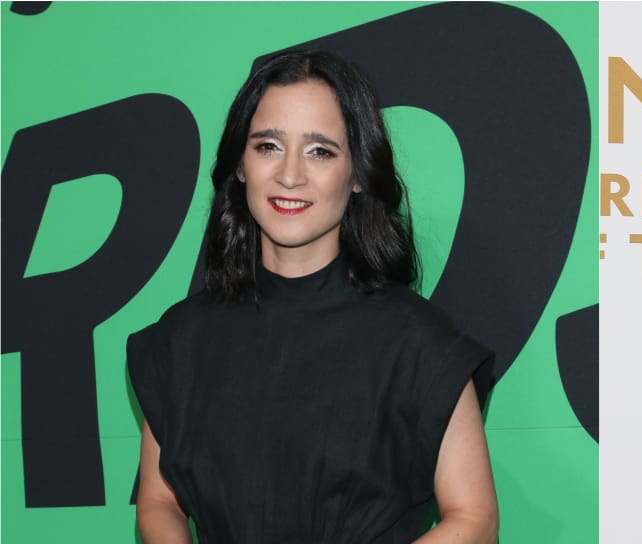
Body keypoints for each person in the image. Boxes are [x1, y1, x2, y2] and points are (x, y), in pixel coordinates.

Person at [129, 51, 499, 543]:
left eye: (320, 151)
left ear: (358, 173)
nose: (290, 175)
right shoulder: (181, 338)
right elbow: (159, 502)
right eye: (268, 146)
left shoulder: (417, 342)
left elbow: (474, 519)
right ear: (241, 165)